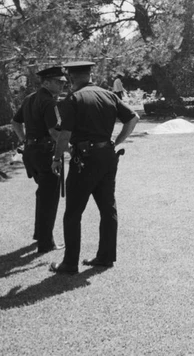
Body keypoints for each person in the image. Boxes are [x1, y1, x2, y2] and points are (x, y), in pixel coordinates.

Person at [48, 61, 139, 275]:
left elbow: (65, 134)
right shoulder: (109, 95)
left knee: (73, 212)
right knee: (108, 208)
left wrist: (57, 157)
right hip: (107, 155)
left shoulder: (73, 99)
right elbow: (133, 118)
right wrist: (116, 141)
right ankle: (105, 257)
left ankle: (70, 263)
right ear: (90, 75)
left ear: (71, 78)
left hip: (85, 159)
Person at [11, 66, 67, 253]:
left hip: (31, 152)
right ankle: (46, 242)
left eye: (63, 82)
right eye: (58, 82)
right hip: (45, 153)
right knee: (49, 198)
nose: (62, 85)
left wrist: (24, 140)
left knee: (43, 194)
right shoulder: (49, 102)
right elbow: (54, 132)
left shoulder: (30, 98)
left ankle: (40, 234)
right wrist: (70, 149)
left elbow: (15, 122)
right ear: (46, 82)